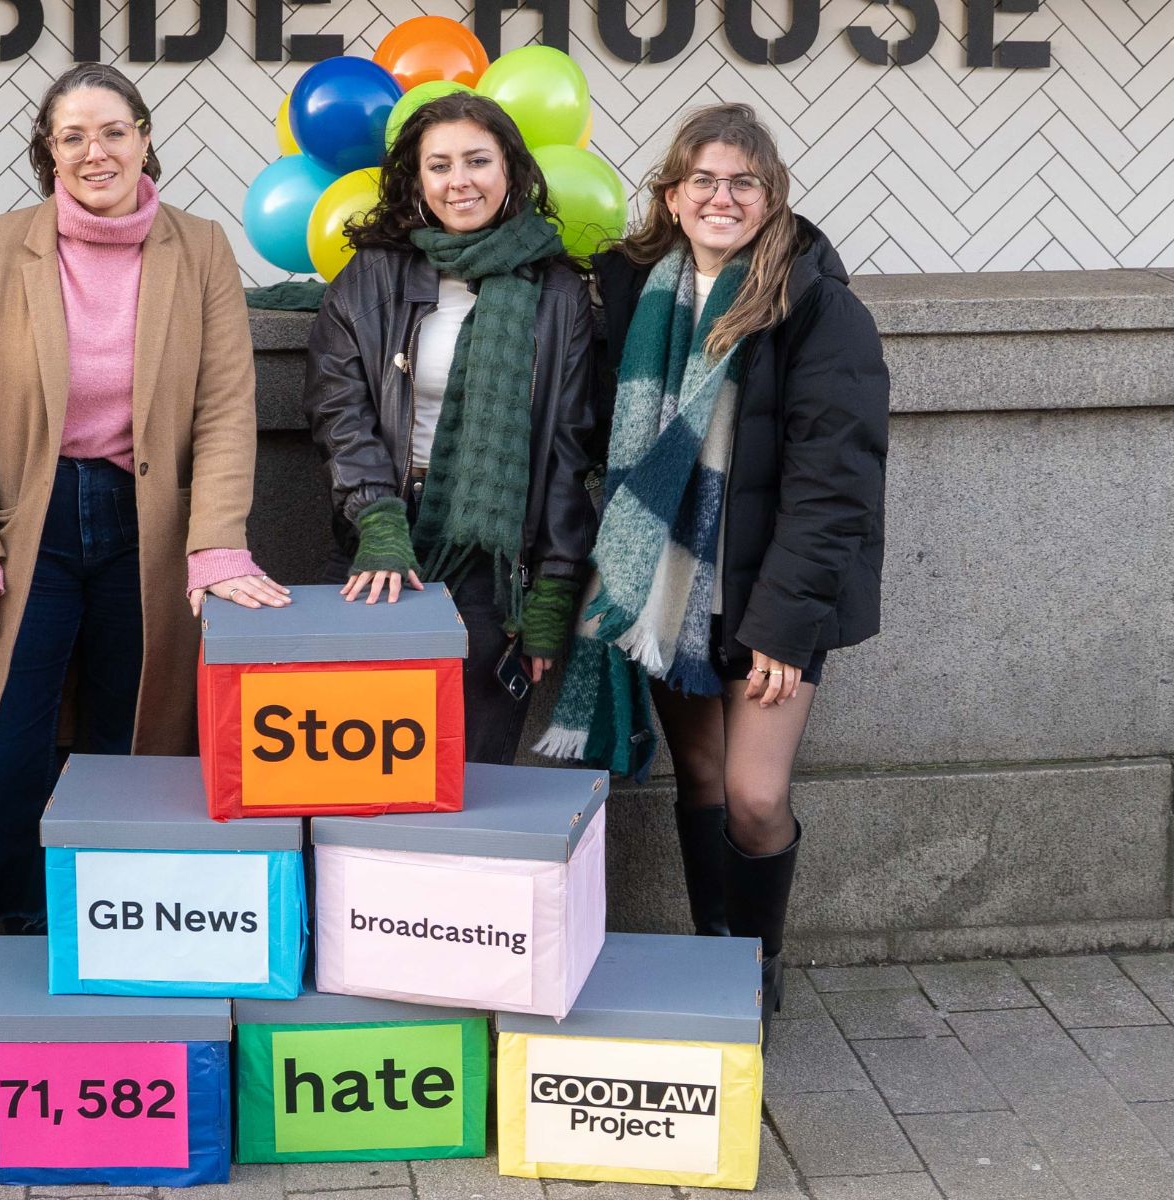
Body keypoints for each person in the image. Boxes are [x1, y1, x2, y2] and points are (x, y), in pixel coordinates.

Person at [0, 63, 286, 963]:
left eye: (114, 130)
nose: (97, 151)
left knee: (133, 734)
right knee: (10, 738)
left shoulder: (199, 246)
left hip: (148, 524)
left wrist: (217, 547)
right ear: (48, 152)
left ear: (144, 137)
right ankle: (7, 938)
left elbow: (224, 407)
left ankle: (115, 935)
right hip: (33, 519)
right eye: (74, 136)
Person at [546, 102, 889, 1009]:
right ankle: (712, 960)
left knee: (753, 795)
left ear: (772, 196)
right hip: (663, 583)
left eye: (743, 181)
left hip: (770, 593)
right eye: (703, 179)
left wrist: (783, 626)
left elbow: (835, 488)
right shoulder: (631, 289)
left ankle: (759, 970)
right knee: (696, 772)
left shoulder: (815, 305)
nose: (721, 196)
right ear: (672, 191)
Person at [300, 90, 599, 765]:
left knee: (473, 770)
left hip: (497, 558)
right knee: (369, 760)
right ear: (417, 180)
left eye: (477, 160)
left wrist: (553, 586)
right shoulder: (369, 278)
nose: (459, 181)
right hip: (381, 541)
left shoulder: (558, 293)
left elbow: (568, 449)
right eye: (439, 165)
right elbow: (338, 415)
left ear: (512, 172)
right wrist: (377, 522)